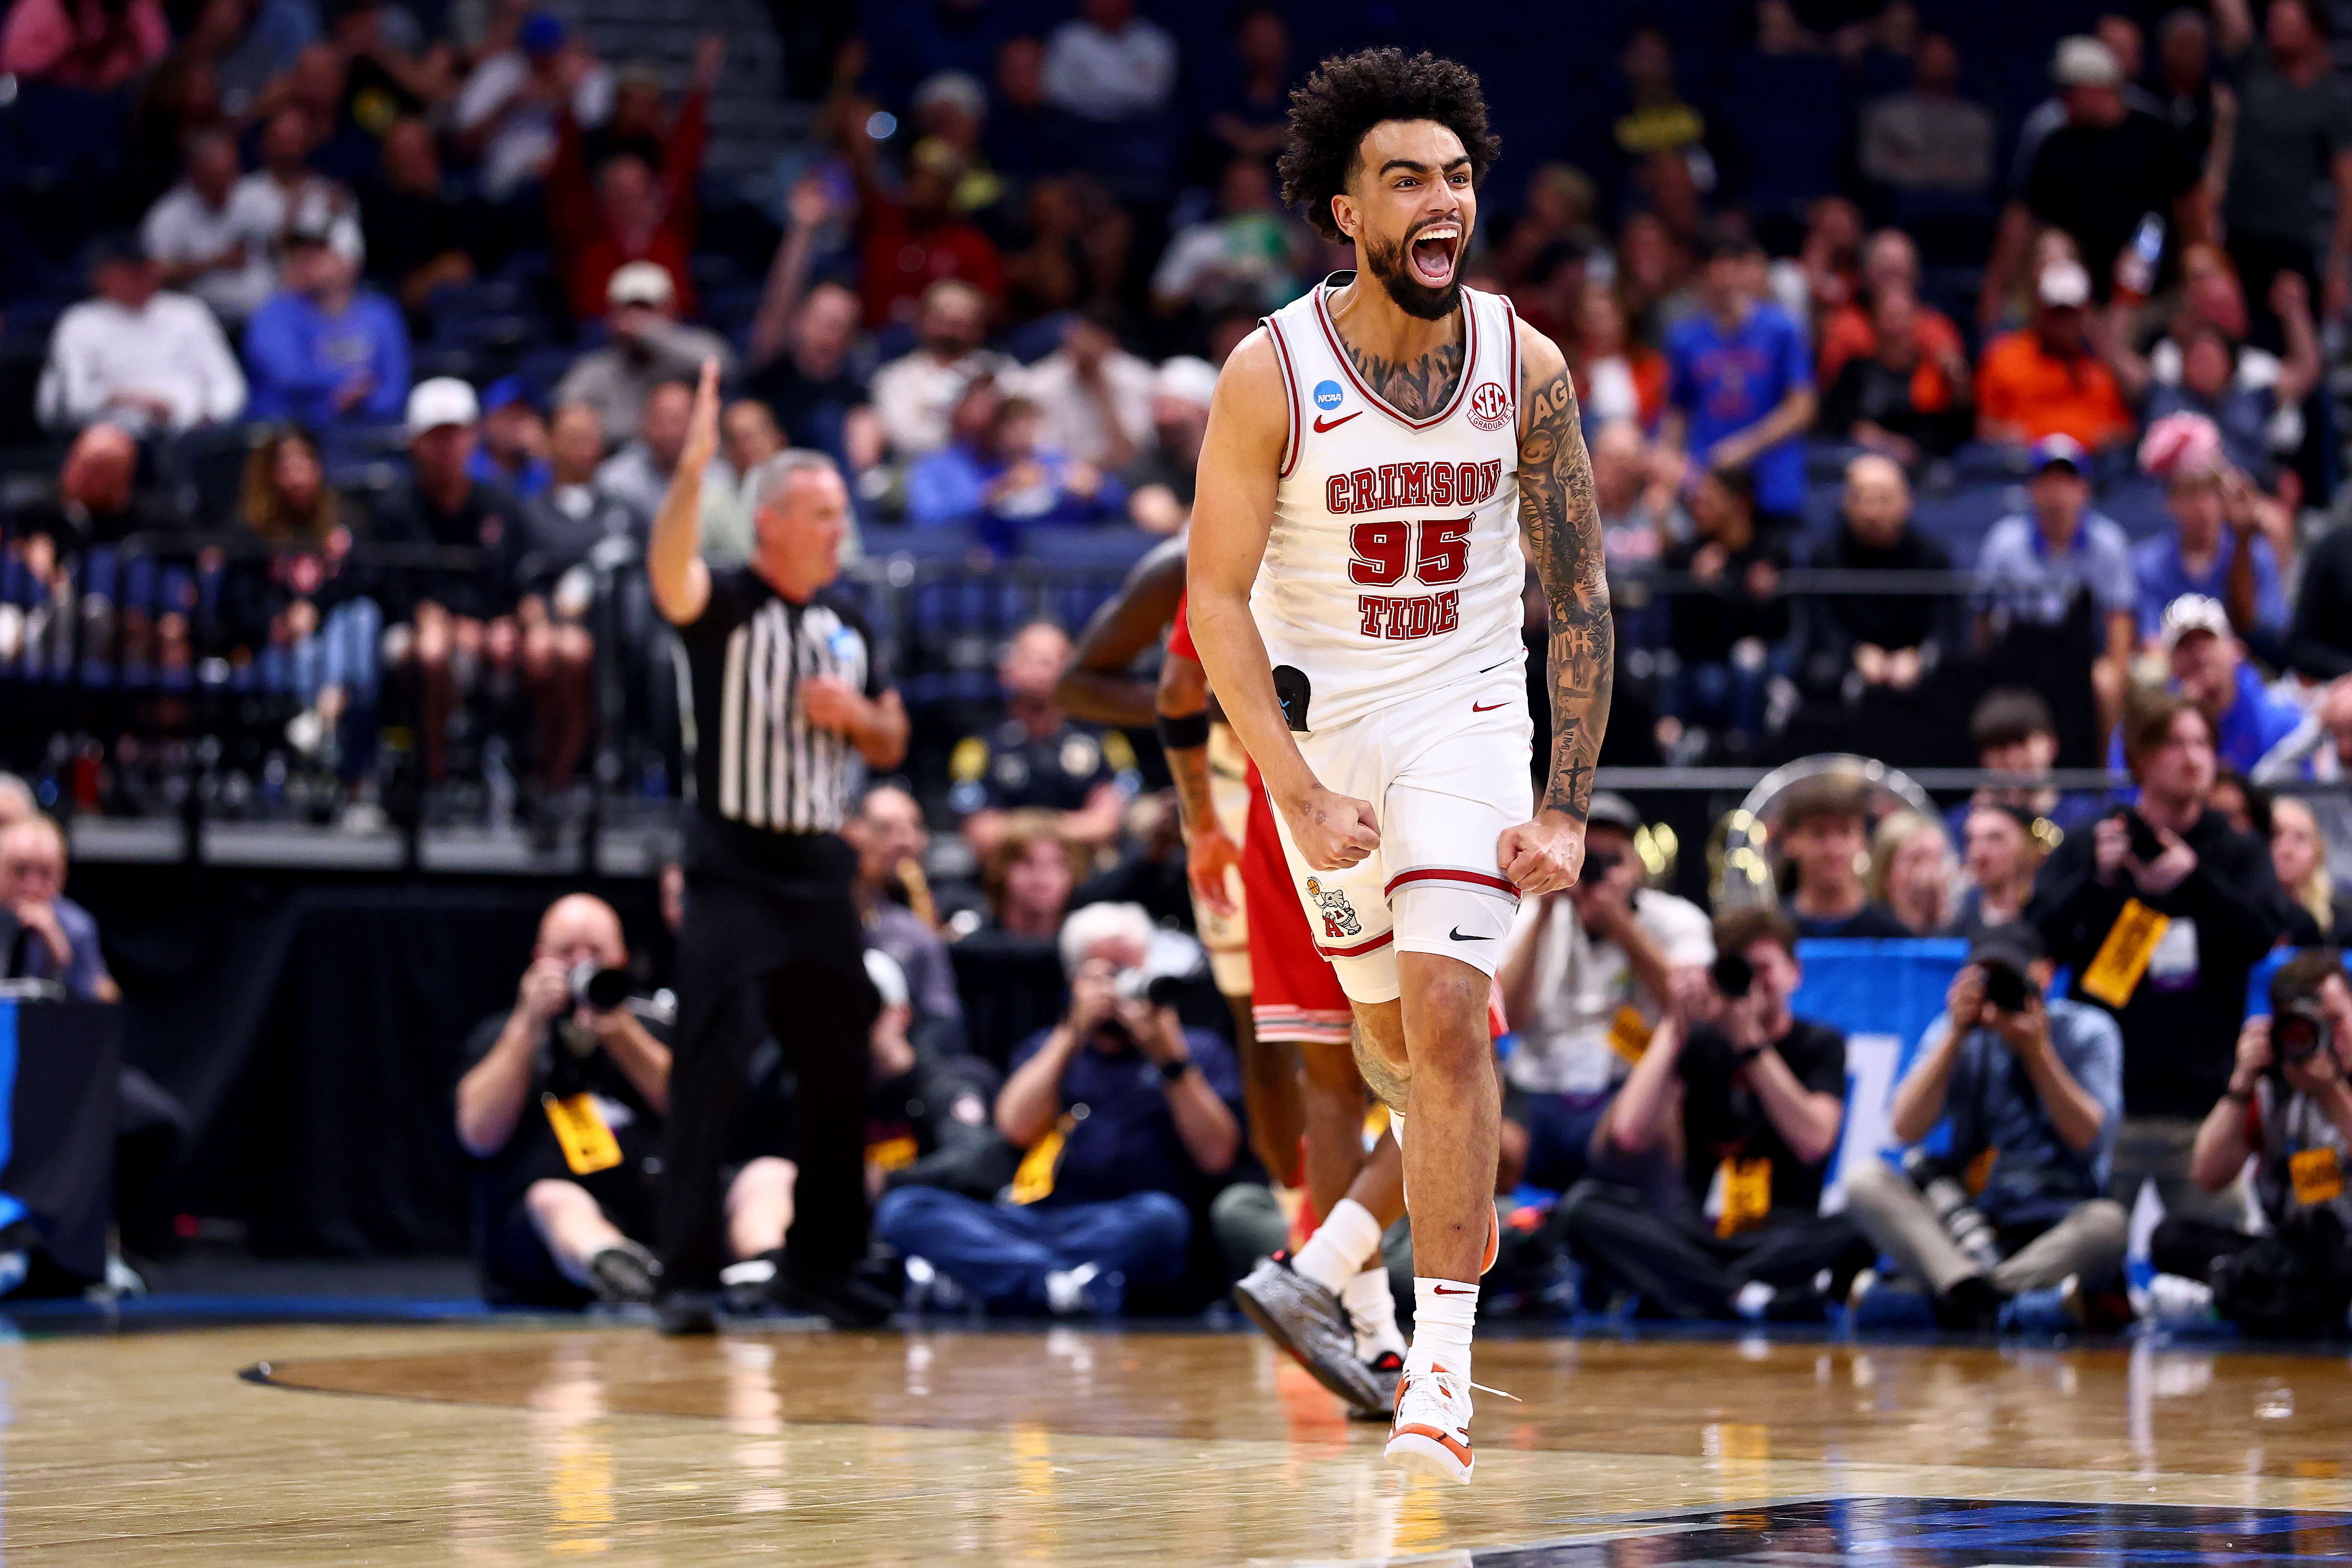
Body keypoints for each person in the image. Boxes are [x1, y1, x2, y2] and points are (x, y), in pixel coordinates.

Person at [1184, 47, 1613, 1483]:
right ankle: (1366, 1268)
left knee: (1444, 1020)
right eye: (1406, 180)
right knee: (1382, 1048)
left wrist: (1562, 802)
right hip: (1325, 742)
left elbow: (1583, 592)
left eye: (1456, 176)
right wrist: (1287, 788)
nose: (1443, 202)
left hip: (1469, 715)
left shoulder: (1524, 364)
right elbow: (1212, 603)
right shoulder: (1270, 372)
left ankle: (1440, 1365)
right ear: (1344, 213)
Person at [1055, 546, 1412, 1419]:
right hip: (1283, 788)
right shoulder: (1199, 557)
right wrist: (1227, 708)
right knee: (1298, 1050)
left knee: (1327, 1065)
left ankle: (1350, 1299)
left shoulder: (1257, 542)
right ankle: (1326, 1260)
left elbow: (1179, 685)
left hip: (1276, 796)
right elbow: (1089, 684)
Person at [646, 362, 910, 1331]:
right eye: (825, 514)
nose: (842, 529)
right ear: (771, 523)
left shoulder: (847, 622)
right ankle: (685, 1273)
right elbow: (666, 574)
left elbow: (893, 736)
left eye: (843, 512)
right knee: (709, 1063)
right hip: (732, 861)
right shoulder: (723, 606)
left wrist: (857, 721)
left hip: (819, 867)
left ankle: (822, 1263)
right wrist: (690, 474)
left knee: (839, 1066)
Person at [875, 902, 1240, 1316]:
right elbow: (1014, 1128)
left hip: (1126, 1220)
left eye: (1133, 971)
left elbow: (1217, 1157)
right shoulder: (1048, 1047)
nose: (1123, 988)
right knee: (906, 1208)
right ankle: (1058, 1285)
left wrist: (1172, 1062)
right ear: (1075, 979)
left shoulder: (1195, 1051)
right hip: (1034, 1217)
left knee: (1164, 1220)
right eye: (1109, 974)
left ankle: (1001, 1280)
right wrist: (1072, 1032)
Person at [2033, 688, 2290, 1222]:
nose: (2193, 758)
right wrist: (2096, 883)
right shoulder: (2096, 843)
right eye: (2174, 743)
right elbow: (2040, 937)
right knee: (2086, 1265)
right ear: (2141, 758)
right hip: (2106, 1106)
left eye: (2201, 743)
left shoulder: (2232, 850)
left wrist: (2194, 880)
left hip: (2200, 1108)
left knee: (2218, 1260)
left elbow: (2263, 933)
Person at [1563, 907, 1875, 1323]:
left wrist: (1751, 1044)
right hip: (1696, 1232)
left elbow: (1814, 1140)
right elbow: (1630, 1134)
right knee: (1584, 1210)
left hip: (1777, 1233)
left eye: (1764, 969)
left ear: (1793, 973)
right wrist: (1675, 1026)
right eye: (1741, 971)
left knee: (1857, 1229)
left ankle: (1694, 1292)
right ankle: (1745, 1296)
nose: (1754, 984)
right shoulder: (1700, 1041)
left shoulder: (1820, 1044)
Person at [1845, 925, 2127, 1329]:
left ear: (2044, 974)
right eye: (1985, 980)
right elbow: (1905, 1128)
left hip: (2053, 1221)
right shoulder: (1956, 1032)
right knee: (1864, 1181)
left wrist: (2039, 1053)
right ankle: (1996, 1297)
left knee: (2109, 1223)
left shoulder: (2086, 1030)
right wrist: (1955, 1035)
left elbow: (2091, 1138)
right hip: (1970, 1223)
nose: (1996, 992)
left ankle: (1964, 1294)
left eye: (2009, 978)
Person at [453, 895, 675, 1306]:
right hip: (540, 1248)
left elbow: (695, 1116)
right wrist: (527, 1024)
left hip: (649, 1216)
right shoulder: (503, 1035)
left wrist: (620, 1032)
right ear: (539, 958)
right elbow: (478, 1135)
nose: (582, 964)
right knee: (556, 1198)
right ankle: (618, 1270)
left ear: (622, 959)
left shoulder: (653, 1028)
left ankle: (755, 1272)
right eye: (567, 952)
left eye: (596, 953)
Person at [1495, 792, 1709, 1198]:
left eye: (1615, 862)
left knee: (1653, 1117)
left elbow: (1691, 1012)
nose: (1600, 874)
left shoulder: (1675, 918)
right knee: (1489, 1145)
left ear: (1638, 866)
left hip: (1620, 1090)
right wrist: (1544, 913)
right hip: (1538, 1090)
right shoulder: (1534, 915)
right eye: (1589, 861)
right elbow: (1508, 1020)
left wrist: (1624, 927)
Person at [2148, 951, 2352, 1336]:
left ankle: (2239, 1300)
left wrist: (2332, 1093)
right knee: (2172, 1238)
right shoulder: (2273, 1087)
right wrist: (2241, 1084)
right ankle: (2279, 1303)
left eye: (2336, 1021)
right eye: (2308, 1025)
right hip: (2293, 1251)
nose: (2326, 1038)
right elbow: (2207, 1174)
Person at [369, 378, 527, 782]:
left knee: (549, 652)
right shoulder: (394, 509)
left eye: (455, 435)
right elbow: (386, 587)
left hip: (487, 629)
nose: (447, 447)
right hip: (409, 632)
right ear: (414, 443)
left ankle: (539, 786)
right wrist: (434, 619)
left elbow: (512, 582)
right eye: (435, 437)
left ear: (474, 437)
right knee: (433, 649)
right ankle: (433, 777)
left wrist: (502, 622)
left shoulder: (500, 505)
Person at [1973, 435, 2137, 739]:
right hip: (2022, 654)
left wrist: (2115, 671)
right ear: (2032, 490)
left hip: (2081, 655)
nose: (2057, 494)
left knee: (2107, 683)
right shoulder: (2004, 542)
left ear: (2084, 490)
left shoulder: (2108, 543)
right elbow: (1982, 618)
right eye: (2048, 482)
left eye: (2067, 482)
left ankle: (2108, 780)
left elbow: (2119, 618)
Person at [1660, 227, 1817, 536]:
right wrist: (1668, 469)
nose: (1722, 278)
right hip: (1707, 487)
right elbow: (1677, 413)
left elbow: (1803, 408)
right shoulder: (1685, 339)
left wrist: (1746, 446)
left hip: (1773, 483)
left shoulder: (1782, 329)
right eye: (1713, 268)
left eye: (1730, 266)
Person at [2209, 0, 2352, 334]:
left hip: (2289, 244)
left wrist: (2338, 268)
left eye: (2286, 22)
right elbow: (2230, 11)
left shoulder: (2329, 98)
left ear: (2313, 32)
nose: (2274, 27)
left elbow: (2348, 187)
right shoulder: (2255, 64)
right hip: (2234, 235)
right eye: (2272, 19)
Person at [948, 621, 1128, 858]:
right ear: (1006, 670)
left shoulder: (1105, 743)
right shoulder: (979, 750)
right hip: (1007, 879)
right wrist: (1071, 826)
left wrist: (1023, 827)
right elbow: (982, 833)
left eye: (1058, 658)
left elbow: (1105, 826)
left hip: (1088, 878)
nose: (1046, 666)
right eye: (1032, 658)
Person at [37, 235, 247, 436]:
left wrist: (205, 416)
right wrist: (120, 399)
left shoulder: (188, 313)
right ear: (101, 277)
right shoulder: (79, 323)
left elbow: (229, 388)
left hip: (189, 436)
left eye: (144, 269)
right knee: (105, 446)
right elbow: (62, 404)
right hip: (114, 436)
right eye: (128, 272)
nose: (140, 278)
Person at [1655, 465, 1791, 763]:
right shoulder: (1688, 556)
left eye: (1709, 500)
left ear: (1739, 503)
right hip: (1702, 661)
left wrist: (1763, 599)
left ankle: (1745, 752)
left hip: (1759, 664)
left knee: (1750, 658)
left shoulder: (1772, 554)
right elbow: (1682, 637)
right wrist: (1699, 587)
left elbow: (1783, 629)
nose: (1699, 507)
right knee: (1707, 683)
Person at [1799, 454, 1954, 700]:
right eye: (1862, 499)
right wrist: (1855, 653)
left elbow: (1946, 626)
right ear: (1846, 503)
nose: (1872, 512)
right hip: (1846, 664)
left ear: (1906, 501)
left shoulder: (1932, 557)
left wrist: (1920, 657)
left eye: (1883, 499)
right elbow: (1820, 625)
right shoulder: (1825, 557)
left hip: (1912, 663)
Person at [242, 214, 410, 428]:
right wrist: (347, 389)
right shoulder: (275, 313)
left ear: (351, 262)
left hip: (365, 430)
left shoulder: (381, 313)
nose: (309, 258)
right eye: (306, 251)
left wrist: (365, 401)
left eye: (322, 251)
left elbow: (396, 387)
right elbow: (288, 376)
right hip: (292, 433)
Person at [2109, 595, 2302, 777]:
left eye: (2208, 639)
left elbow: (2304, 794)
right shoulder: (2143, 730)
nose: (2198, 651)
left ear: (2237, 651)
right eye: (2184, 645)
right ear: (2170, 665)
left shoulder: (2283, 721)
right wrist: (2183, 716)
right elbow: (2128, 797)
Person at [555, 262, 737, 448]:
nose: (637, 320)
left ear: (670, 310)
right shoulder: (596, 369)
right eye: (628, 310)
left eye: (647, 310)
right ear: (612, 315)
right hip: (617, 467)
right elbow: (565, 410)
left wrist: (650, 333)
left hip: (691, 458)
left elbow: (725, 367)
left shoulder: (693, 350)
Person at [842, 782, 964, 1038]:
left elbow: (943, 1019)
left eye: (915, 828)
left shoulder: (926, 910)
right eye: (885, 829)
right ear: (850, 832)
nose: (905, 841)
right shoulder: (822, 904)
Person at [1975, 262, 2134, 452]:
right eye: (2056, 311)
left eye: (2071, 312)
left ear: (2085, 313)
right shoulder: (2005, 355)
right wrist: (2006, 435)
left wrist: (2109, 438)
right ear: (2039, 310)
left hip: (2092, 467)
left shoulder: (2103, 364)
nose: (2063, 321)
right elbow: (1985, 426)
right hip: (2021, 465)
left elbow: (2125, 430)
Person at [2132, 458, 2289, 647]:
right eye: (2189, 494)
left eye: (2210, 494)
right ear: (2170, 502)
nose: (2201, 507)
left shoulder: (2256, 555)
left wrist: (2243, 543)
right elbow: (2152, 641)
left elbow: (2273, 633)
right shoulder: (2148, 564)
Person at [142, 125, 279, 325]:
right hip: (208, 321)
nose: (226, 183)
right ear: (194, 175)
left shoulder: (252, 199)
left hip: (264, 315)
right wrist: (215, 262)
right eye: (216, 176)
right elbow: (155, 273)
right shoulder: (169, 215)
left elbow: (279, 248)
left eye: (231, 172)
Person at [1819, 285, 1972, 463]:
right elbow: (1837, 422)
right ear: (1875, 322)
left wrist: (1959, 380)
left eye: (1903, 317)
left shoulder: (1934, 372)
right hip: (1868, 464)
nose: (1897, 327)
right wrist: (1884, 442)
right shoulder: (1857, 370)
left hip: (1926, 470)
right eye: (1890, 318)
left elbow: (1957, 430)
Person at [867, 280, 1012, 460]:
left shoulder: (999, 370)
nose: (950, 331)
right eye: (943, 321)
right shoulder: (894, 378)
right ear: (921, 320)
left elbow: (1025, 421)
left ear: (979, 327)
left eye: (961, 323)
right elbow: (902, 437)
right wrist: (959, 427)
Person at [1777, 774, 1910, 938]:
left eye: (1845, 832)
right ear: (1790, 840)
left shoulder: (1896, 939)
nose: (1833, 849)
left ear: (1862, 838)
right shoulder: (1771, 939)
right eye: (1819, 833)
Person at [0, 815, 117, 1002]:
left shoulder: (77, 928)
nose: (32, 886)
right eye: (20, 871)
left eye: (45, 873)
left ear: (63, 876)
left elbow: (104, 1003)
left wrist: (61, 956)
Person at [2254, 676, 2352, 888]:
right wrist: (2317, 727)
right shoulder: (2322, 786)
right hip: (2329, 897)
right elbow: (2261, 782)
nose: (2345, 747)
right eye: (2338, 734)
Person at [595, 379, 696, 530]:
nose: (670, 432)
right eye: (661, 421)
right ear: (644, 424)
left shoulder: (719, 480)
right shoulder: (616, 481)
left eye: (677, 421)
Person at [1950, 803, 2048, 942]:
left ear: (2027, 844)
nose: (1978, 855)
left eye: (1995, 838)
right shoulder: (1957, 927)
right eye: (1970, 840)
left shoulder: (2054, 919)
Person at [2269, 794, 2347, 941]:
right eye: (2275, 834)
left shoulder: (2340, 925)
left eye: (2300, 837)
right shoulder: (2238, 915)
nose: (2286, 849)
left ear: (2318, 854)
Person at [1869, 811, 1956, 937]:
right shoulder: (1861, 937)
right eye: (1917, 860)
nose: (1929, 875)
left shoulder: (1962, 937)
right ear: (1886, 870)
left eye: (1938, 860)